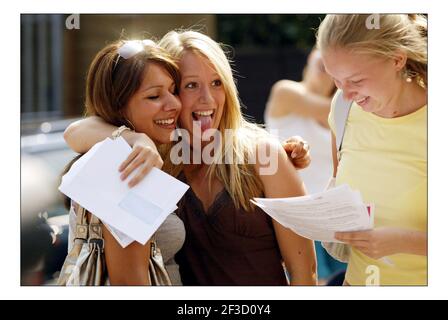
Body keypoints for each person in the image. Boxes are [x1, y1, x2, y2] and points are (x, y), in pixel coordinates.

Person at [64, 30, 317, 285]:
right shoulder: (150, 161)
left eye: (217, 82)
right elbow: (75, 132)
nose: (207, 99)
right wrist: (133, 139)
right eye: (191, 85)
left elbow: (305, 274)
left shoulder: (265, 155)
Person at [316, 14, 427, 285]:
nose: (346, 93)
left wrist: (407, 242)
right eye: (336, 80)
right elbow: (343, 196)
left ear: (397, 59)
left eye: (355, 80)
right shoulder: (343, 110)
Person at [64, 39, 186, 285]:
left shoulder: (120, 154)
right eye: (154, 96)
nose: (174, 104)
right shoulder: (126, 167)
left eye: (173, 90)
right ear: (117, 105)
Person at [265, 48, 346, 285]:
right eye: (319, 50)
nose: (324, 55)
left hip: (334, 217)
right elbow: (331, 111)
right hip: (297, 217)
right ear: (306, 62)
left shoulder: (346, 102)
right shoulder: (286, 91)